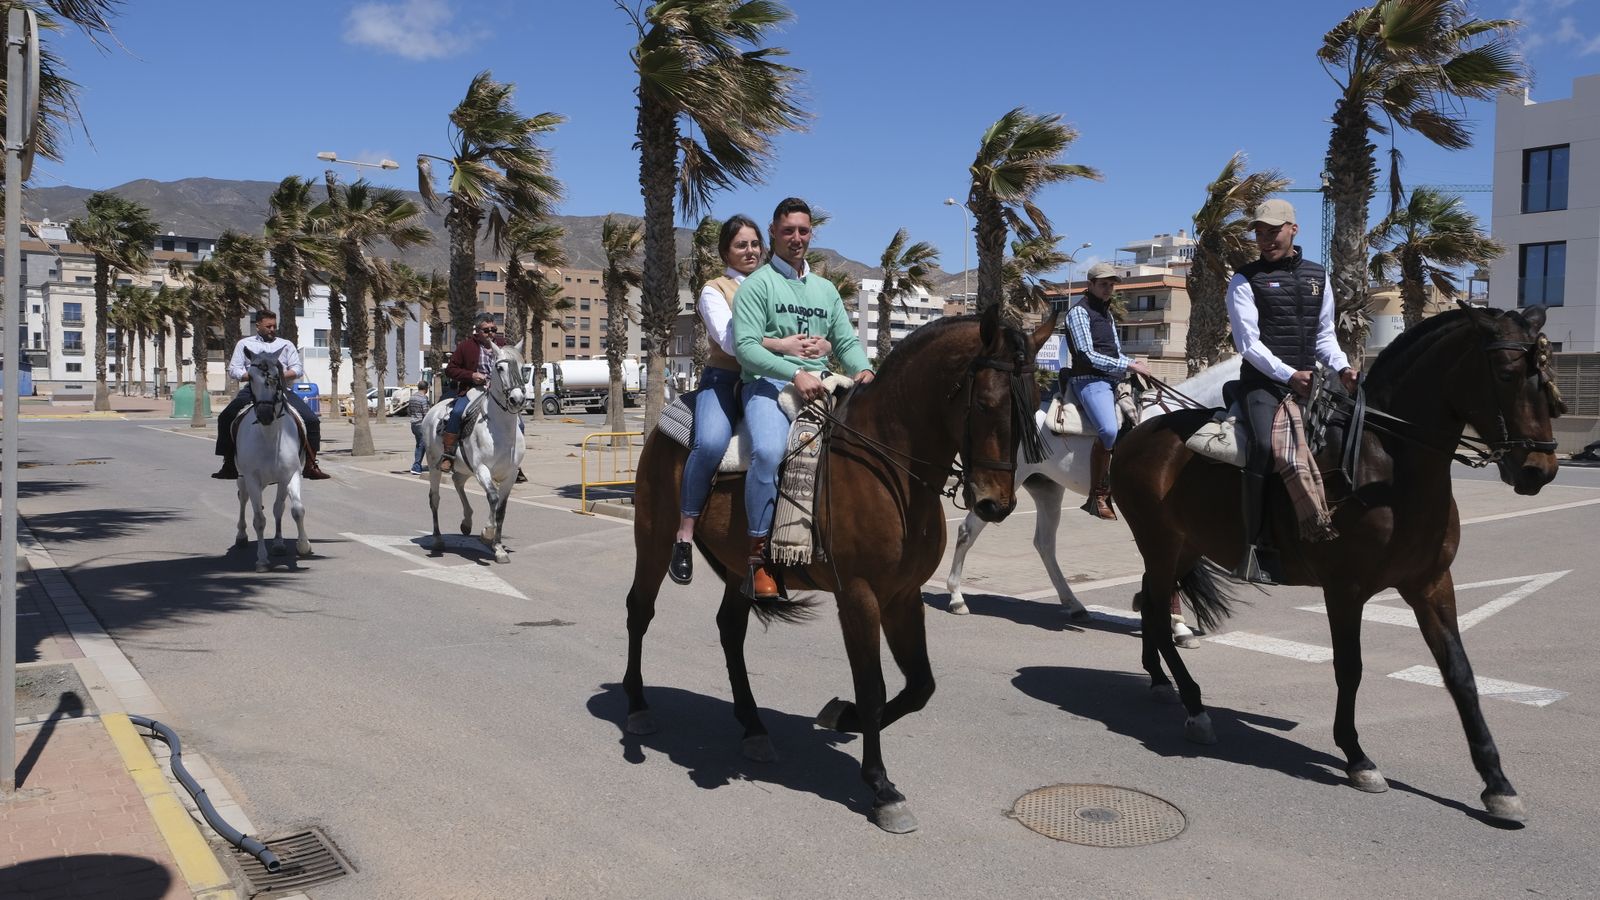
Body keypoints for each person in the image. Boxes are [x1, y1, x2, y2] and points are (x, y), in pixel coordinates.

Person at [669, 214, 832, 586]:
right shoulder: (715, 289)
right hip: (725, 378)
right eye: (741, 244)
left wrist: (817, 343)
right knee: (710, 442)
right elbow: (731, 342)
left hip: (772, 374)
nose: (750, 250)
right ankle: (685, 532)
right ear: (726, 250)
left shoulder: (776, 282)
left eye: (755, 243)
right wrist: (782, 344)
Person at [731, 197, 874, 600]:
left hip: (824, 382)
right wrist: (793, 373)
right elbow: (746, 348)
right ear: (773, 232)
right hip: (766, 385)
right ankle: (758, 558)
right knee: (770, 452)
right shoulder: (757, 285)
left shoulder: (825, 289)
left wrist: (863, 369)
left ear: (811, 234)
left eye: (804, 231)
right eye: (788, 230)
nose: (796, 238)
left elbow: (845, 341)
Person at [1224, 198, 1359, 584]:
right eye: (1259, 233)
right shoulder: (1245, 279)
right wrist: (1288, 375)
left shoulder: (1319, 275)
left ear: (1293, 229)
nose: (1265, 239)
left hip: (1310, 381)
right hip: (1263, 383)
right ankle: (1254, 548)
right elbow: (1248, 344)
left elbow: (1324, 337)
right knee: (1265, 449)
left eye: (1273, 231)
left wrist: (1343, 367)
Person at [1063, 262, 1152, 520]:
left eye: (1111, 284)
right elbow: (1087, 354)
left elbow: (1113, 351)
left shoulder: (1107, 313)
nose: (1108, 289)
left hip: (1114, 379)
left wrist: (1133, 364)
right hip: (1089, 380)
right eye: (1103, 284)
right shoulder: (1078, 313)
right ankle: (1098, 494)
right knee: (1109, 429)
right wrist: (1127, 363)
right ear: (1089, 285)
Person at [212, 310, 330, 480]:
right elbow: (234, 369)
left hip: (280, 388)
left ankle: (311, 465)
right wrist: (253, 375)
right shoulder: (244, 344)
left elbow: (297, 368)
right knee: (225, 418)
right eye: (268, 326)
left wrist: (278, 376)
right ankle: (228, 463)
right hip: (253, 388)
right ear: (258, 325)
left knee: (311, 420)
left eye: (274, 326)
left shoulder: (286, 344)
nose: (272, 329)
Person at [438, 312, 506, 474]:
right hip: (473, 389)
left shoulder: (503, 345)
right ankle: (448, 454)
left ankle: (513, 461)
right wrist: (471, 375)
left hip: (498, 391)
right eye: (486, 330)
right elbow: (450, 370)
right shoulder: (466, 346)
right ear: (477, 331)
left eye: (493, 329)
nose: (491, 333)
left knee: (518, 421)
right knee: (457, 412)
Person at [405, 380, 431, 475]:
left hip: (414, 424)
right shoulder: (423, 398)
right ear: (426, 388)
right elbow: (426, 413)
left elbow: (409, 411)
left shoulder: (412, 397)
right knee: (422, 445)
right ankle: (416, 467)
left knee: (419, 444)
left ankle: (417, 465)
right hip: (421, 424)